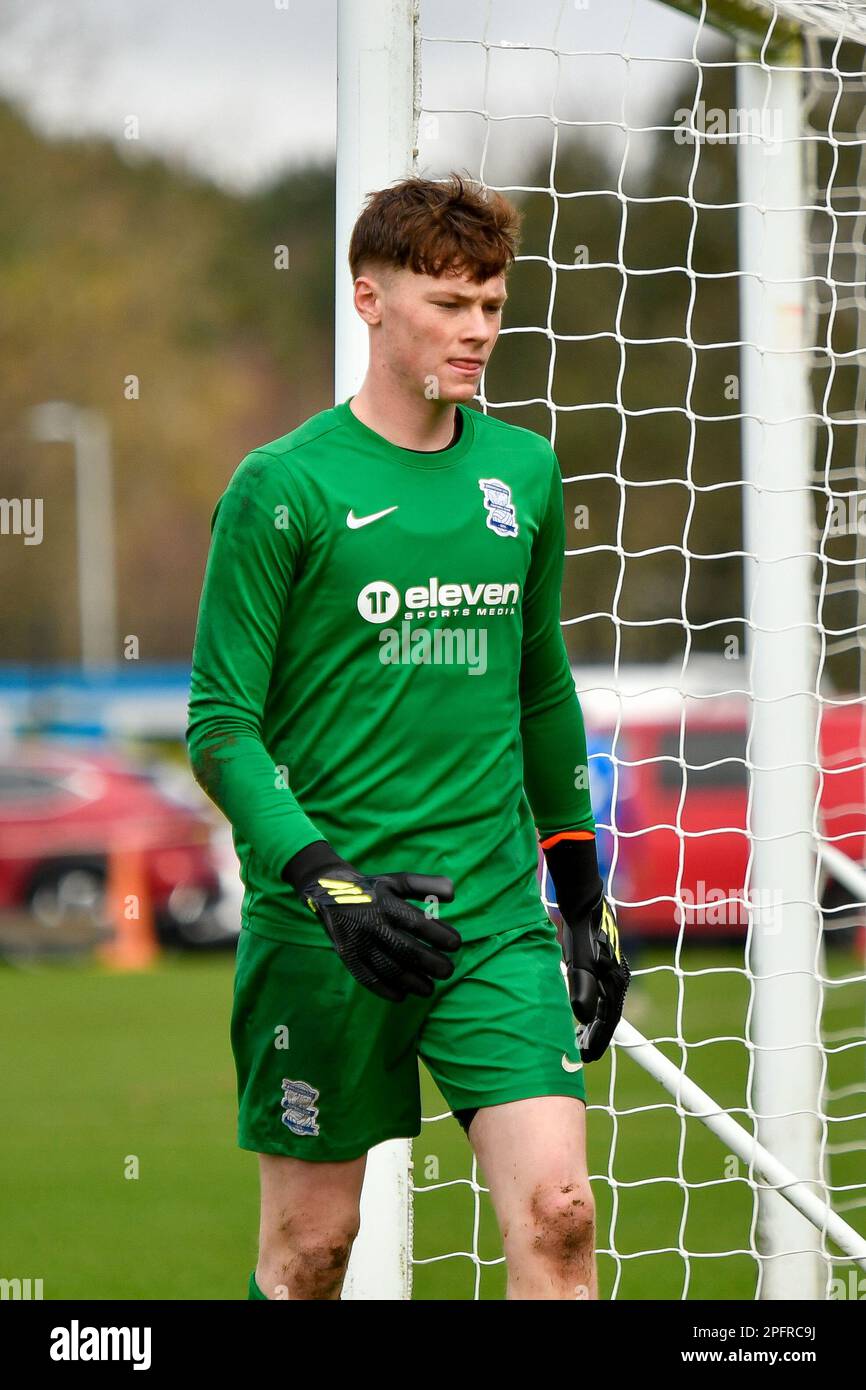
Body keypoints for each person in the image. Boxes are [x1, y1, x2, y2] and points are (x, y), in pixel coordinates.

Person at [186, 172, 630, 1302]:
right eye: (447, 301)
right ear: (368, 299)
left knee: (560, 1218)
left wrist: (578, 888)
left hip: (488, 920)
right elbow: (220, 729)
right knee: (310, 1253)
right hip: (327, 925)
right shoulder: (281, 487)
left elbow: (539, 691)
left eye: (489, 302)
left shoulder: (522, 472)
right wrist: (329, 883)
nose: (476, 329)